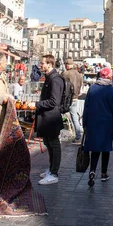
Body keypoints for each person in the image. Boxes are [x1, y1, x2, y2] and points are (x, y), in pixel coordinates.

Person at [83, 67, 113, 187]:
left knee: (95, 149)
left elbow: (86, 107)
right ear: (109, 77)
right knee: (105, 148)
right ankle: (103, 173)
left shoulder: (92, 88)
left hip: (93, 123)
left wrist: (85, 122)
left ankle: (92, 171)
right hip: (107, 124)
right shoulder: (111, 90)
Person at [33, 54, 64, 185]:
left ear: (50, 64)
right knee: (48, 142)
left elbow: (54, 101)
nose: (41, 65)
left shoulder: (55, 79)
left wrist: (37, 104)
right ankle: (51, 169)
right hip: (47, 117)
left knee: (54, 144)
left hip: (51, 118)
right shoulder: (49, 77)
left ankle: (54, 173)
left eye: (43, 63)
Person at [63, 58, 83, 143]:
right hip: (76, 97)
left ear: (67, 65)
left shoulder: (66, 74)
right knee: (75, 117)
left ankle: (78, 136)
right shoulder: (79, 74)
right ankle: (79, 133)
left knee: (72, 117)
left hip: (68, 99)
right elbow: (81, 85)